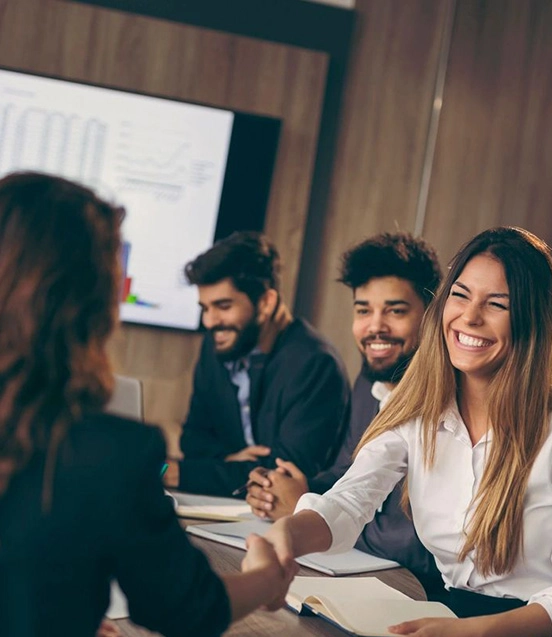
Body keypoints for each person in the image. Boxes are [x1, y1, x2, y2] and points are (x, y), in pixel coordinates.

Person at [0, 172, 295, 637]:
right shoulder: (109, 453)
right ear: (90, 303)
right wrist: (268, 578)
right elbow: (186, 608)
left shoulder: (306, 360)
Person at [263, 226, 552, 637]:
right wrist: (282, 538)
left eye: (496, 304)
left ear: (530, 319)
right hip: (446, 614)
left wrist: (474, 632)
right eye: (460, 295)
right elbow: (348, 503)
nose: (469, 316)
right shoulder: (416, 408)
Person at [246, 232, 444, 592]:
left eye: (396, 311)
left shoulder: (449, 398)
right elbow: (348, 471)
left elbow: (417, 545)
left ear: (432, 315)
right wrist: (288, 490)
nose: (375, 326)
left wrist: (304, 510)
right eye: (363, 310)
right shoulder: (371, 377)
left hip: (421, 590)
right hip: (365, 575)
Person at [164, 231, 350, 496]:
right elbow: (194, 440)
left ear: (266, 302)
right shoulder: (216, 345)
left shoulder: (316, 364)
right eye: (205, 308)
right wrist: (232, 462)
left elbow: (286, 473)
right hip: (226, 508)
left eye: (223, 306)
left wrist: (182, 473)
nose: (210, 321)